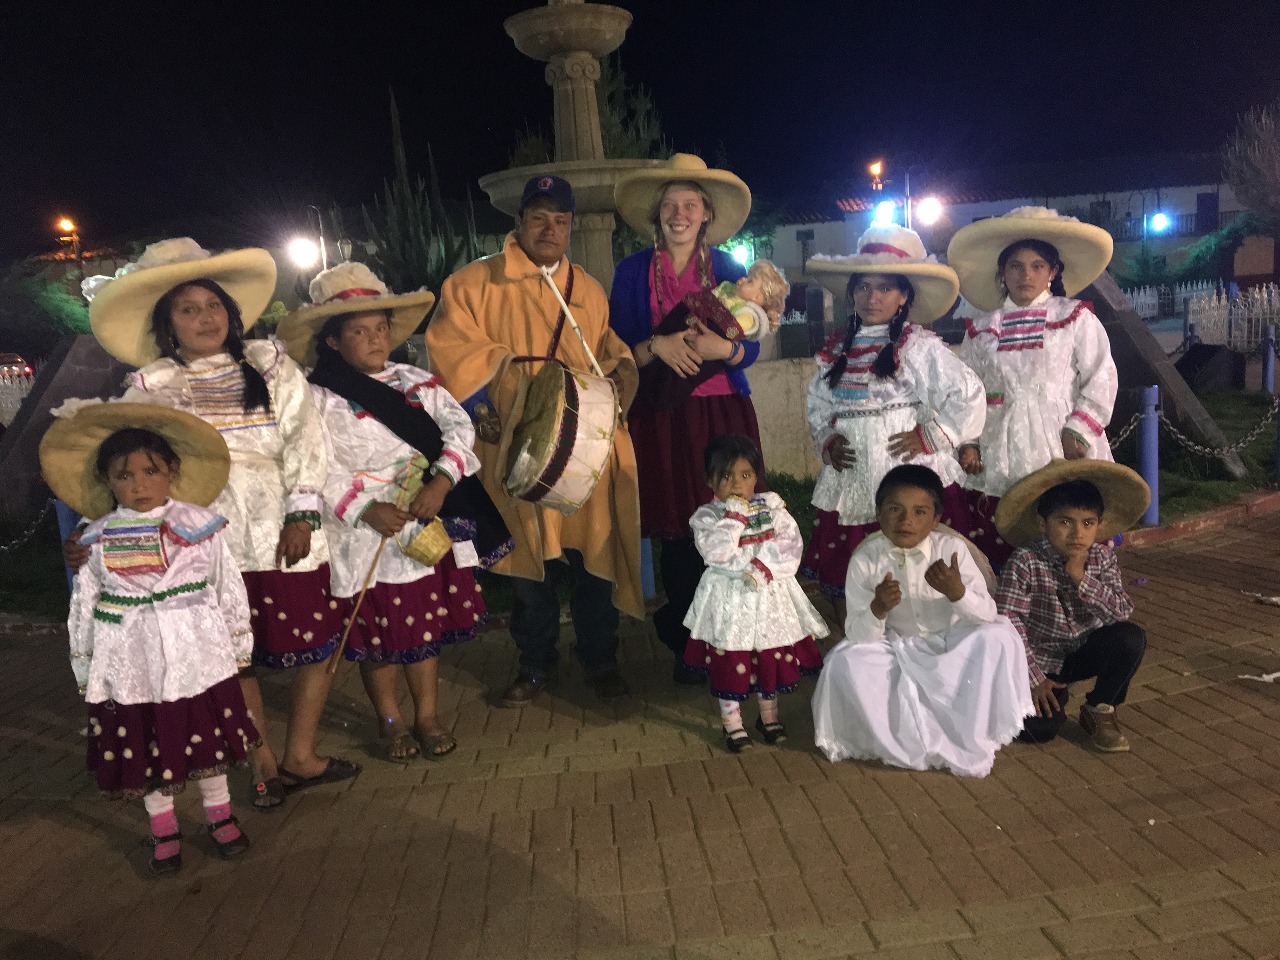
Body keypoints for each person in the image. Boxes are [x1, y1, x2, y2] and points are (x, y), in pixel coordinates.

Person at [78, 238, 358, 808]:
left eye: (213, 306)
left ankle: (301, 753)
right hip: (201, 542)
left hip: (283, 527)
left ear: (230, 312)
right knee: (232, 653)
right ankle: (263, 762)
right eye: (188, 310)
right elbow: (128, 471)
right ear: (168, 324)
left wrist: (303, 512)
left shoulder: (269, 364)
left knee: (316, 644)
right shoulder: (150, 387)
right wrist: (93, 535)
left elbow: (305, 436)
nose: (205, 318)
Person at [278, 262, 512, 760]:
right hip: (363, 532)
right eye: (359, 332)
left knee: (422, 627)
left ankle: (427, 716)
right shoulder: (319, 399)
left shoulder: (417, 383)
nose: (374, 339)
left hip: (422, 519)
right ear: (333, 341)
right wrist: (366, 509)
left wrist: (442, 481)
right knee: (378, 633)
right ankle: (391, 721)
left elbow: (459, 428)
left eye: (381, 328)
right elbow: (316, 463)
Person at [425, 174, 643, 706]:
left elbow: (608, 350)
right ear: (519, 222)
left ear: (570, 226)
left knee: (594, 552)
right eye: (539, 218)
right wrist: (483, 403)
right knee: (529, 561)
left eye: (560, 220)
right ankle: (535, 662)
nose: (550, 229)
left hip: (583, 444)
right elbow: (450, 350)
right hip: (515, 442)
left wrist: (621, 373)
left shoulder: (587, 289)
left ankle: (600, 659)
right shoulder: (473, 283)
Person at [41, 403, 257, 875]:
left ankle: (219, 815)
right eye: (124, 476)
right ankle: (163, 828)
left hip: (196, 656)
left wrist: (238, 643)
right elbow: (85, 603)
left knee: (205, 739)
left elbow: (226, 584)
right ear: (107, 482)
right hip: (130, 663)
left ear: (172, 471)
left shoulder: (201, 527)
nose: (139, 485)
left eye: (150, 471)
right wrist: (86, 664)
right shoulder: (93, 539)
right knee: (146, 744)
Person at [610, 154, 761, 682]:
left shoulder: (729, 270)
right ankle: (687, 644)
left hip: (722, 412)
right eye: (670, 205)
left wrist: (726, 350)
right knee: (677, 532)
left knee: (732, 523)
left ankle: (736, 638)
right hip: (660, 416)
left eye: (690, 204)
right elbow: (616, 348)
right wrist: (658, 345)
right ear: (657, 214)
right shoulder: (632, 272)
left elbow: (752, 345)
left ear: (706, 213)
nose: (679, 214)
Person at [801, 224, 985, 627]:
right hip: (853, 480)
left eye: (885, 288)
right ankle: (862, 642)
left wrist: (931, 436)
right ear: (852, 294)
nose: (873, 298)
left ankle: (924, 635)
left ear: (904, 296)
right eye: (864, 287)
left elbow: (968, 393)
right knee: (853, 570)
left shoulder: (919, 347)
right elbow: (818, 404)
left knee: (922, 567)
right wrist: (828, 439)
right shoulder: (836, 351)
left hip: (908, 474)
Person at [811, 465, 1033, 777]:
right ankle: (890, 739)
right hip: (896, 647)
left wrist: (957, 592)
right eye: (895, 509)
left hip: (952, 643)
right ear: (878, 513)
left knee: (997, 637)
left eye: (919, 512)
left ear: (936, 518)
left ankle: (975, 727)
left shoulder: (952, 550)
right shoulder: (865, 558)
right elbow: (858, 633)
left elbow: (986, 614)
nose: (906, 521)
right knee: (844, 661)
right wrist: (877, 609)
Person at [948, 207, 1118, 568]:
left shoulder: (1073, 317)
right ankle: (1010, 596)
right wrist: (969, 441)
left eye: (1037, 266)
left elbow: (1101, 375)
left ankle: (1071, 595)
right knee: (1001, 535)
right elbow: (968, 390)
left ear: (1052, 272)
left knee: (1064, 523)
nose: (1026, 275)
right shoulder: (982, 329)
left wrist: (1081, 428)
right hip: (997, 444)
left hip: (1060, 439)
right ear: (1002, 273)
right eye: (1016, 266)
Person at [681, 434, 826, 753]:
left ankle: (768, 716)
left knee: (767, 656)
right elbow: (718, 553)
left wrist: (762, 568)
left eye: (745, 475)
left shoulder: (772, 508)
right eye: (726, 476)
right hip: (729, 602)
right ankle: (732, 723)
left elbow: (790, 545)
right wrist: (734, 517)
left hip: (769, 600)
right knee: (731, 658)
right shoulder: (708, 517)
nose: (737, 483)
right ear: (709, 480)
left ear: (756, 477)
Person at [994, 459, 1149, 752]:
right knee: (1037, 730)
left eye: (1087, 523)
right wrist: (1034, 679)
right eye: (1065, 522)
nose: (1078, 534)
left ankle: (1100, 707)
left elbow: (1121, 610)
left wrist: (1081, 578)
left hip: (1084, 650)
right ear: (1043, 524)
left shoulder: (1102, 558)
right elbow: (1008, 622)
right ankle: (1038, 695)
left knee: (1131, 639)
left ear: (1098, 525)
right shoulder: (1025, 560)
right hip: (1042, 659)